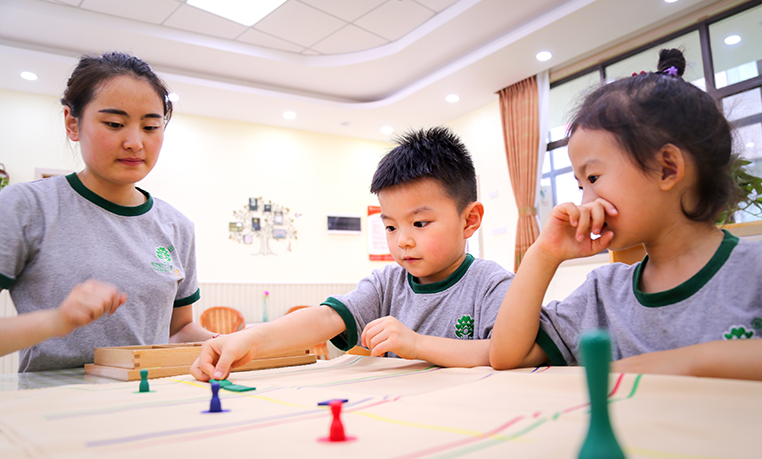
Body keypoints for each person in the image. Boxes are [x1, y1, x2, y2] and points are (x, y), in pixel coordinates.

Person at [489, 49, 762, 383]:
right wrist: (545, 253)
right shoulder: (604, 293)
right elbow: (508, 355)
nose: (585, 202)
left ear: (667, 168)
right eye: (580, 186)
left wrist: (687, 364)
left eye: (593, 178)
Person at [191, 127, 514, 381]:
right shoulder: (387, 283)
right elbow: (327, 317)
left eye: (420, 223)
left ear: (469, 220)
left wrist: (416, 345)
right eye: (390, 227)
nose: (402, 241)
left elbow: (507, 353)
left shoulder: (491, 284)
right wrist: (250, 339)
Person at [0, 51, 214, 371]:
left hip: (148, 402)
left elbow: (179, 329)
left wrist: (225, 341)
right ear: (72, 123)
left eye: (151, 127)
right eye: (114, 123)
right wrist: (56, 320)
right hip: (51, 410)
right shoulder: (27, 206)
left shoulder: (176, 225)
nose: (134, 142)